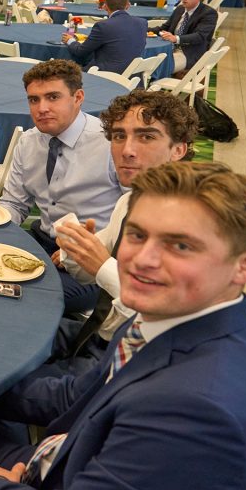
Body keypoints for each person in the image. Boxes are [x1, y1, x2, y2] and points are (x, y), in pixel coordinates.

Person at [0, 160, 246, 490]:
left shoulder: (199, 408)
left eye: (180, 246)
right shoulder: (168, 322)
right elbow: (74, 396)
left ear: (245, 265)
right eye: (137, 234)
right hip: (60, 464)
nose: (142, 259)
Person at [43, 90, 197, 376]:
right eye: (118, 136)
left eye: (146, 137)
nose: (127, 149)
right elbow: (86, 275)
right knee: (4, 327)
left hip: (128, 359)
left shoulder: (191, 223)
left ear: (179, 149)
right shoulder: (129, 201)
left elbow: (163, 316)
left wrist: (102, 265)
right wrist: (75, 252)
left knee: (2, 387)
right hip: (95, 331)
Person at [0, 59, 124, 314]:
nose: (41, 108)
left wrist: (85, 250)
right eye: (34, 100)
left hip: (91, 258)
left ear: (78, 97)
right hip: (41, 241)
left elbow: (132, 216)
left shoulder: (110, 144)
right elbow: (14, 203)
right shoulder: (29, 141)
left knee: (23, 298)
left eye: (53, 97)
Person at [63, 0, 147, 74]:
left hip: (104, 75)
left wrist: (70, 40)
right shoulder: (142, 23)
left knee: (65, 72)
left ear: (105, 6)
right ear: (128, 5)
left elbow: (80, 51)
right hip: (132, 76)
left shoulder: (102, 26)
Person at [148, 0, 216, 74]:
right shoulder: (180, 9)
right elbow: (164, 27)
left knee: (158, 67)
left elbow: (199, 36)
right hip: (169, 49)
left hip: (189, 53)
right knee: (145, 62)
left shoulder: (208, 13)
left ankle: (152, 87)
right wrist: (143, 28)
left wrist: (176, 38)